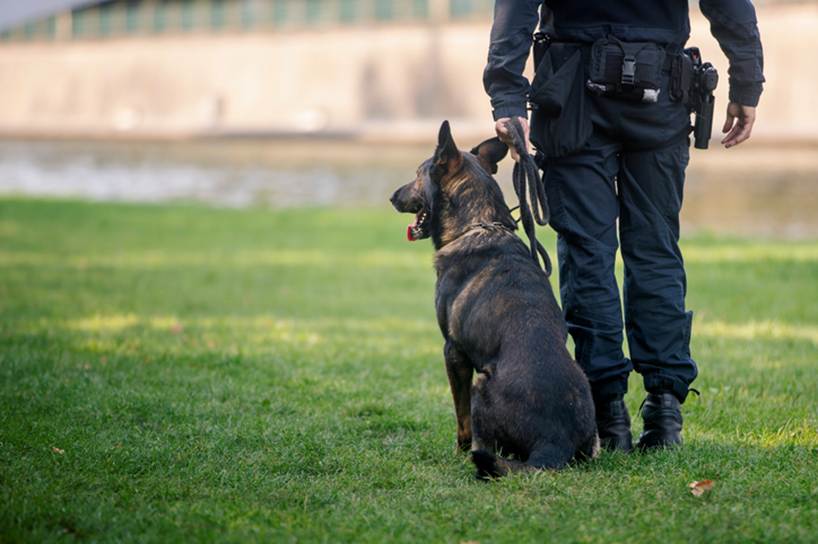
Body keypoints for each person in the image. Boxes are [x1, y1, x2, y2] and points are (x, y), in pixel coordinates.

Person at [483, 0, 764, 451]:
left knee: (587, 252)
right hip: (659, 91)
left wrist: (507, 96)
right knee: (654, 249)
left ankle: (607, 414)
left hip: (573, 93)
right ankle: (664, 410)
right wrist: (747, 83)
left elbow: (515, 9)